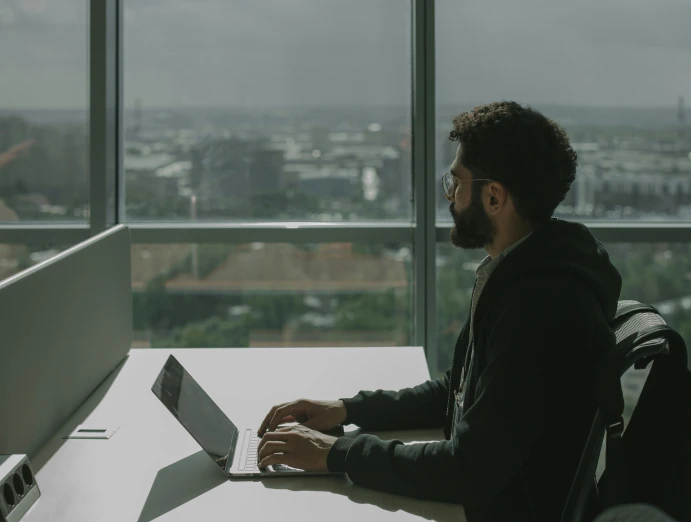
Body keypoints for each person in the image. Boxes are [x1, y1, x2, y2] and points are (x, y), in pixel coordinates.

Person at [256, 101, 622, 521]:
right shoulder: (528, 271)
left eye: (456, 181)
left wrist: (337, 453)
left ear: (494, 197)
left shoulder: (540, 307)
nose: (449, 194)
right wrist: (347, 409)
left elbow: (466, 470)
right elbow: (460, 390)